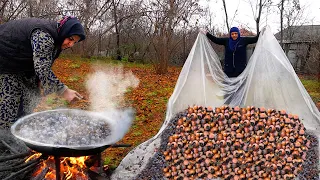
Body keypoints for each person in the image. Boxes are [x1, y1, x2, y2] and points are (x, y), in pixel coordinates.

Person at [0, 16, 86, 128]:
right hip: (5, 60)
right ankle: (5, 138)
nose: (71, 45)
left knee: (32, 95)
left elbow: (43, 63)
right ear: (64, 32)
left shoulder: (57, 41)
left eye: (74, 42)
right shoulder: (44, 35)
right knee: (9, 105)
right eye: (70, 39)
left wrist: (39, 80)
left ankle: (21, 128)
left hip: (22, 63)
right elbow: (42, 68)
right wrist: (64, 91)